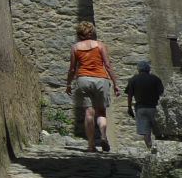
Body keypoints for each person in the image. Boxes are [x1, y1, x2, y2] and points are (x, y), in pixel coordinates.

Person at [65, 21, 120, 152]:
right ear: (92, 32)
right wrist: (115, 84)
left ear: (79, 34)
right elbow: (107, 65)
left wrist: (68, 84)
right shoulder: (100, 45)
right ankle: (103, 136)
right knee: (101, 112)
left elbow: (72, 69)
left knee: (89, 112)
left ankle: (91, 145)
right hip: (101, 79)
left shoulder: (75, 48)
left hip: (83, 79)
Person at [125, 60, 165, 150]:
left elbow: (130, 95)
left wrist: (129, 108)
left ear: (138, 69)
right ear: (148, 69)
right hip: (154, 108)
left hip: (140, 109)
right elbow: (162, 93)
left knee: (146, 131)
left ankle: (149, 148)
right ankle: (160, 149)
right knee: (158, 130)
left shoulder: (133, 79)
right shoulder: (155, 79)